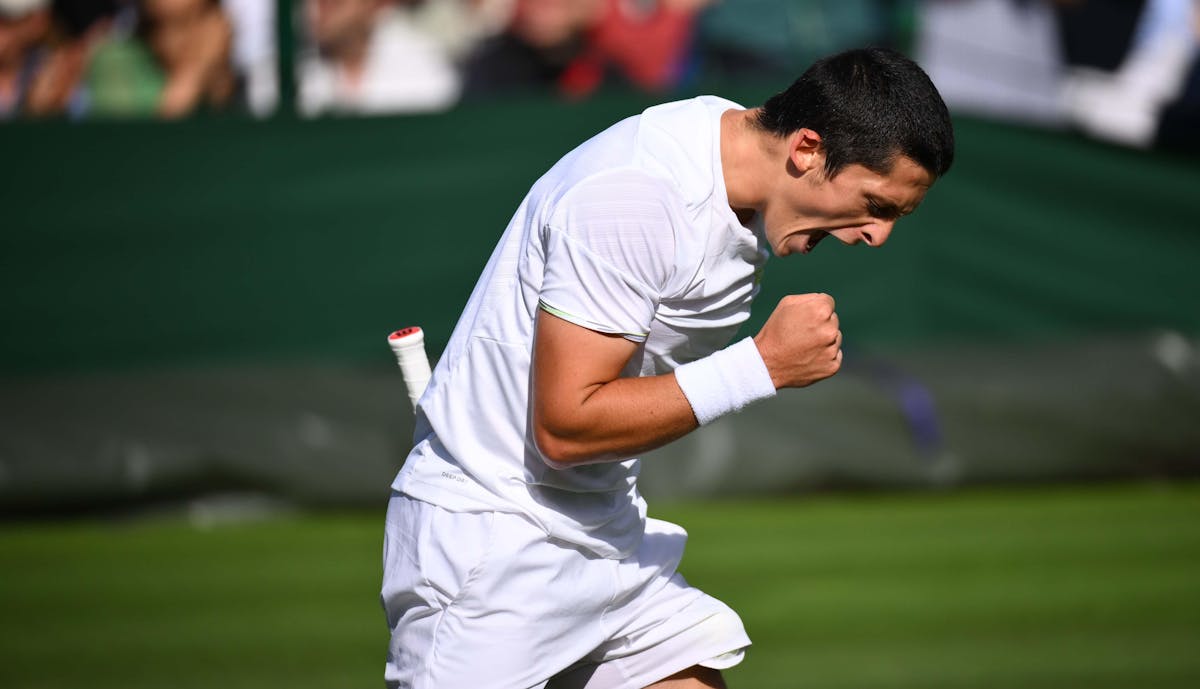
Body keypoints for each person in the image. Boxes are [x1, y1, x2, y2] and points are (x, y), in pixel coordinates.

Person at [381, 47, 955, 689]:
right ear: (807, 150)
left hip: (606, 537)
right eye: (876, 205)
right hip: (489, 548)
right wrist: (759, 366)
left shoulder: (733, 164)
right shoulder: (636, 195)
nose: (879, 236)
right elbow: (566, 427)